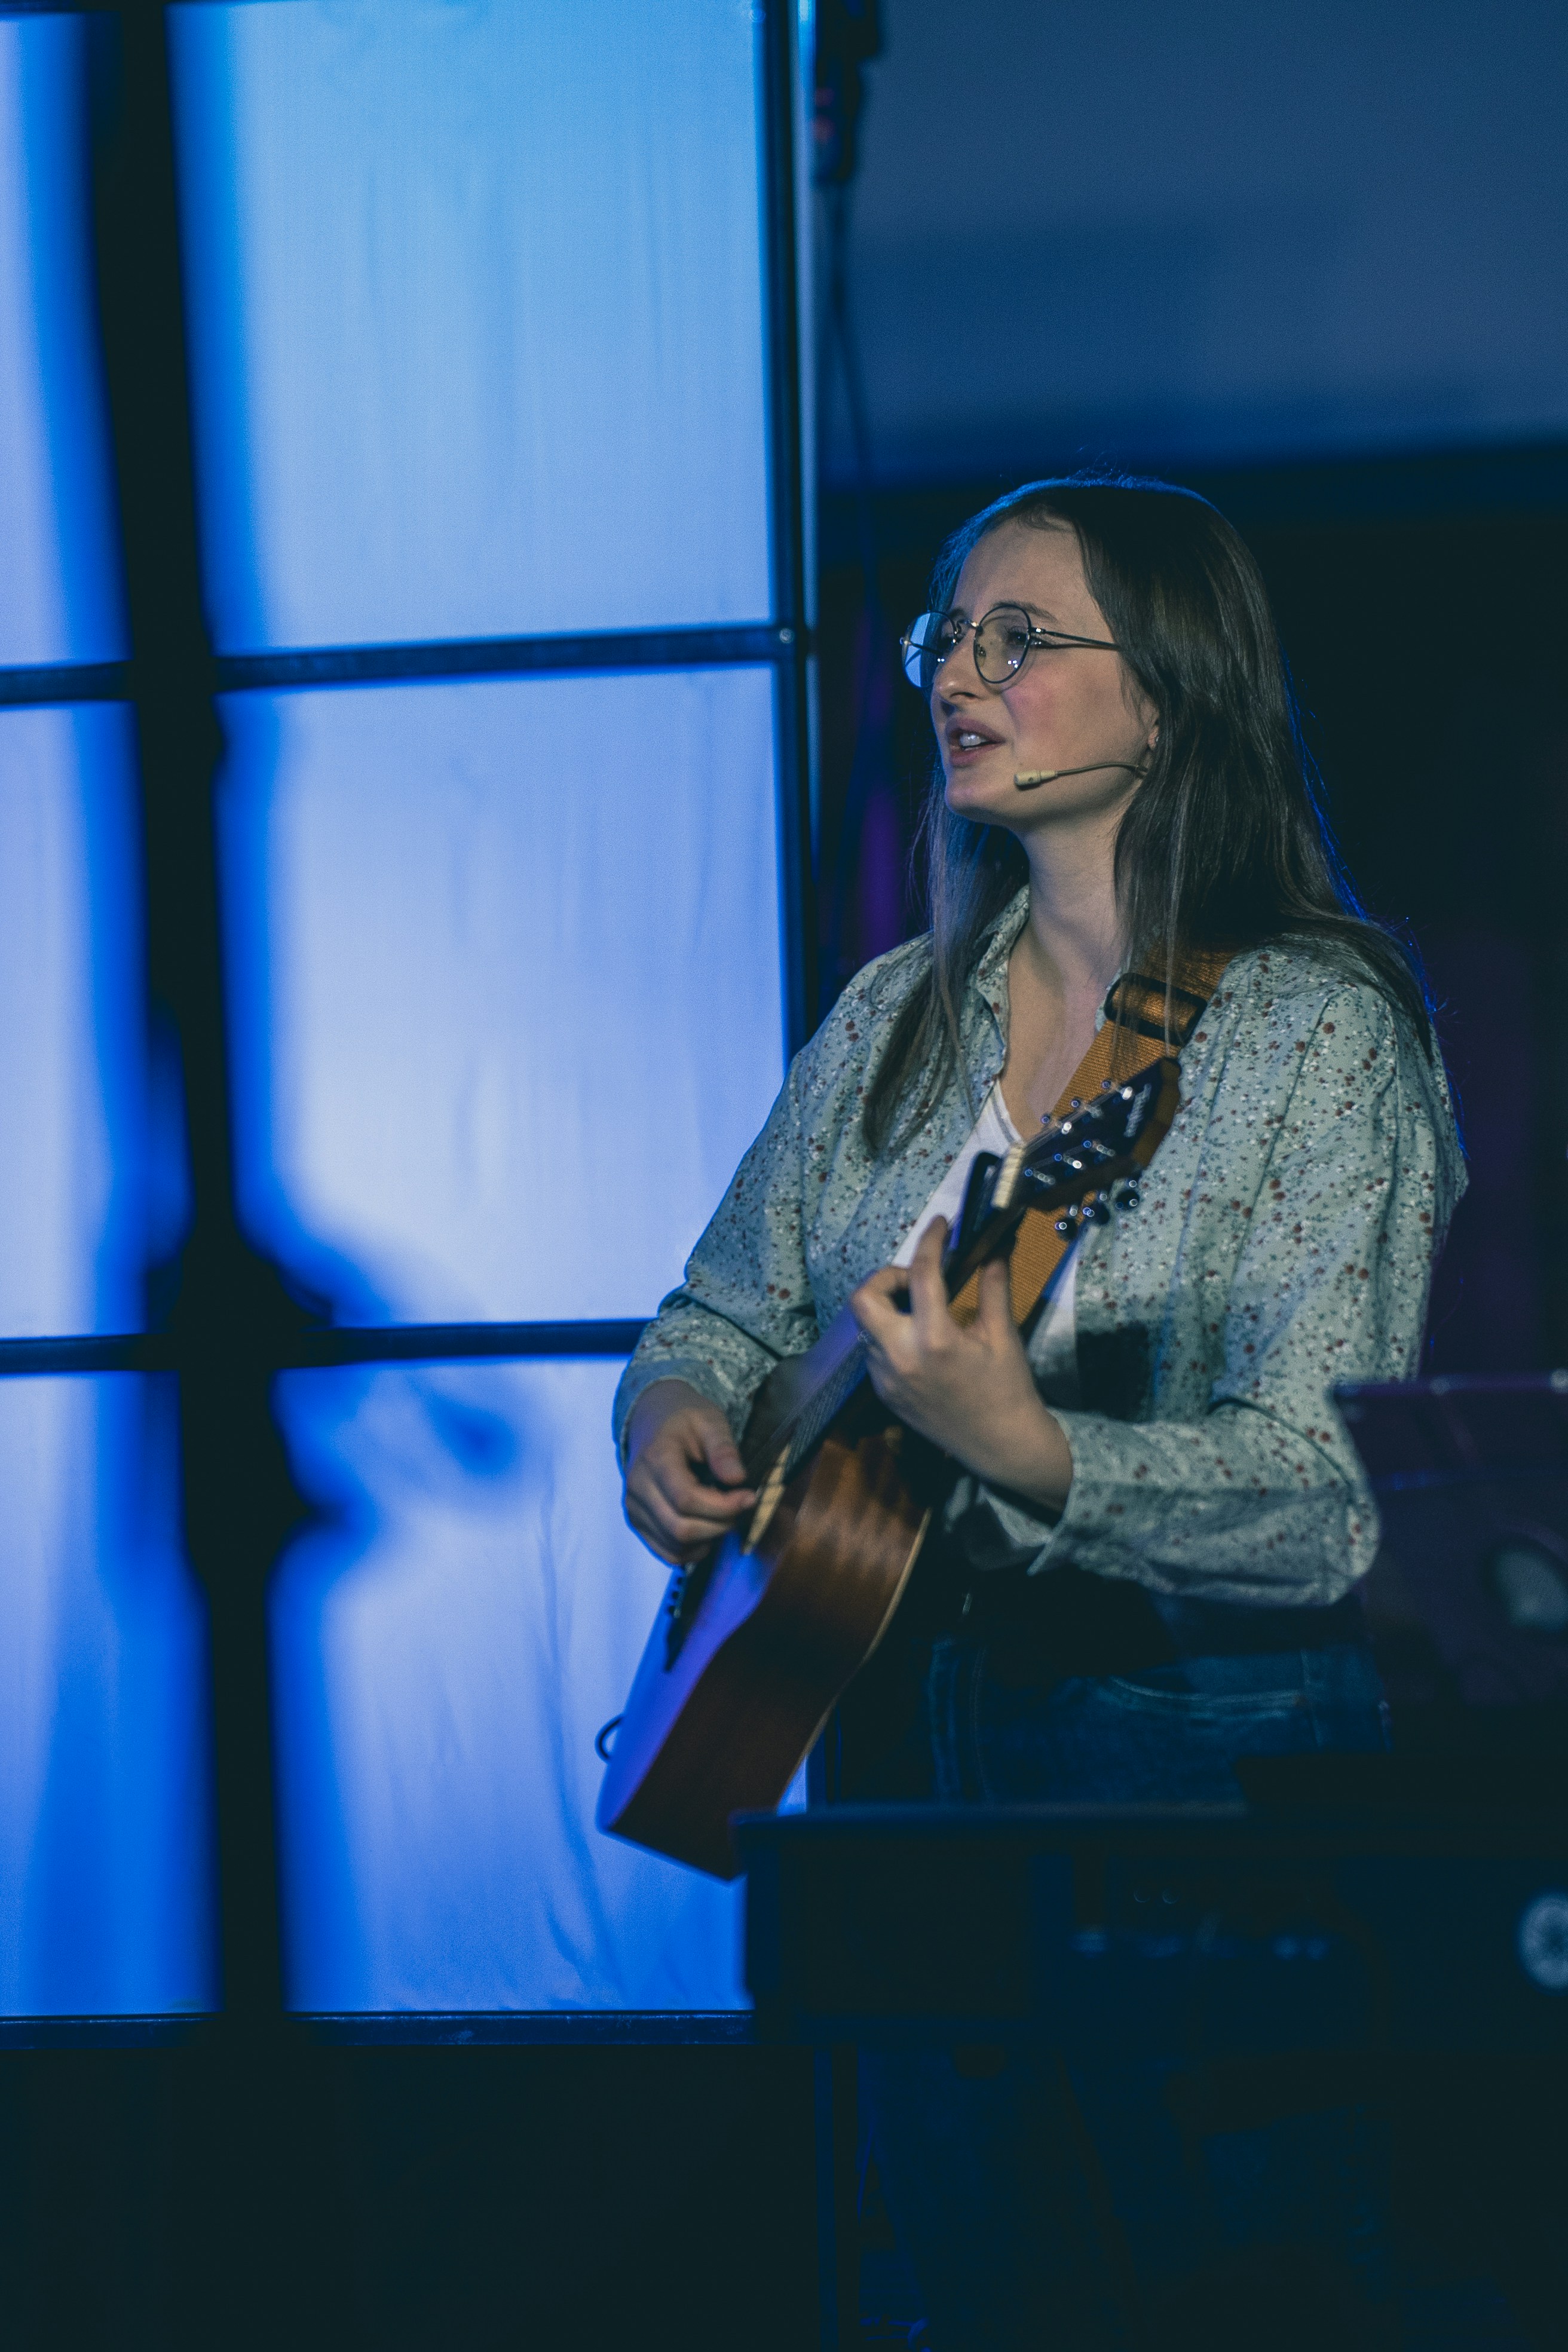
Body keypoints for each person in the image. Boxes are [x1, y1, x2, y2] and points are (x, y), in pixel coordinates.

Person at [612, 475, 1464, 2348]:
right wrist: (667, 1410)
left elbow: (1334, 1502)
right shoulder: (885, 1020)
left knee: (1246, 2291)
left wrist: (1037, 1450)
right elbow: (718, 1306)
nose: (960, 676)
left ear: (1168, 695)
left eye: (1023, 639)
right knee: (981, 2288)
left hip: (1195, 1746)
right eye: (947, 637)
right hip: (903, 1742)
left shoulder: (1317, 1034)